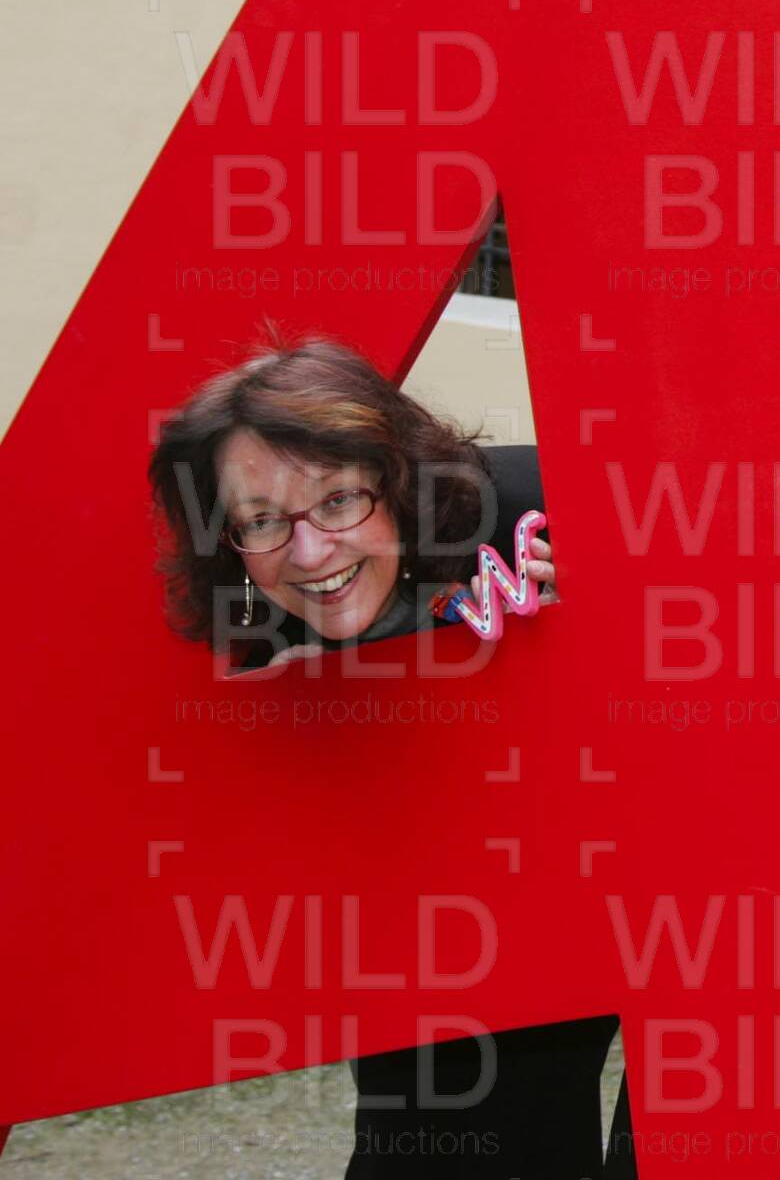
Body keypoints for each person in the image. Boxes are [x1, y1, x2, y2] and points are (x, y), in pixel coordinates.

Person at [147, 338, 627, 1180]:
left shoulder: (534, 505)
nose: (310, 553)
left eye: (338, 499)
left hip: (638, 866)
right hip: (442, 915)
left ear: (396, 479)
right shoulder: (257, 615)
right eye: (261, 518)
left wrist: (593, 619)